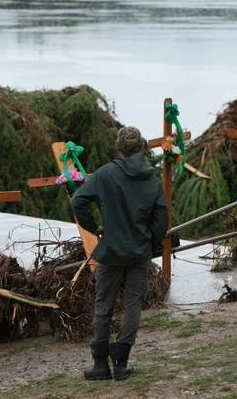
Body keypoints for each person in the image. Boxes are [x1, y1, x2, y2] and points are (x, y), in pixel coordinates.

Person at [72, 126, 169, 380]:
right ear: (142, 147)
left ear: (118, 148)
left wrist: (95, 228)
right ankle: (121, 363)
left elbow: (78, 200)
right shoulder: (151, 179)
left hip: (111, 251)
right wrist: (151, 243)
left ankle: (100, 365)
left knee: (103, 306)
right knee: (133, 306)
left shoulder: (106, 174)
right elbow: (161, 220)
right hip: (139, 253)